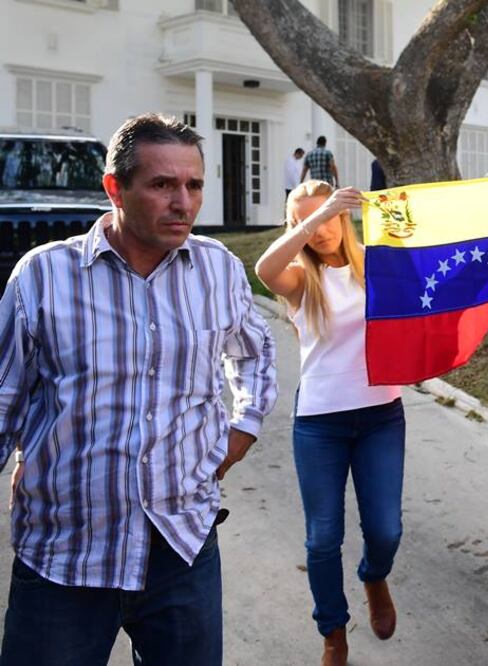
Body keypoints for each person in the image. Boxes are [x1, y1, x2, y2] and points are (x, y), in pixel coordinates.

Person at [0, 113, 278, 665]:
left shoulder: (219, 270)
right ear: (115, 189)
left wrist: (241, 430)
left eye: (193, 185)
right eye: (162, 185)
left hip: (182, 550)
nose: (184, 202)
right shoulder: (42, 278)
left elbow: (256, 354)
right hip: (65, 556)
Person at [254, 180, 405, 666]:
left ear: (345, 216)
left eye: (326, 217)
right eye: (304, 222)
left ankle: (373, 575)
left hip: (381, 413)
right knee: (322, 537)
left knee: (386, 530)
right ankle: (333, 631)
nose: (319, 231)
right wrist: (314, 220)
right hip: (321, 423)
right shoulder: (300, 280)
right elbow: (264, 268)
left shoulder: (376, 266)